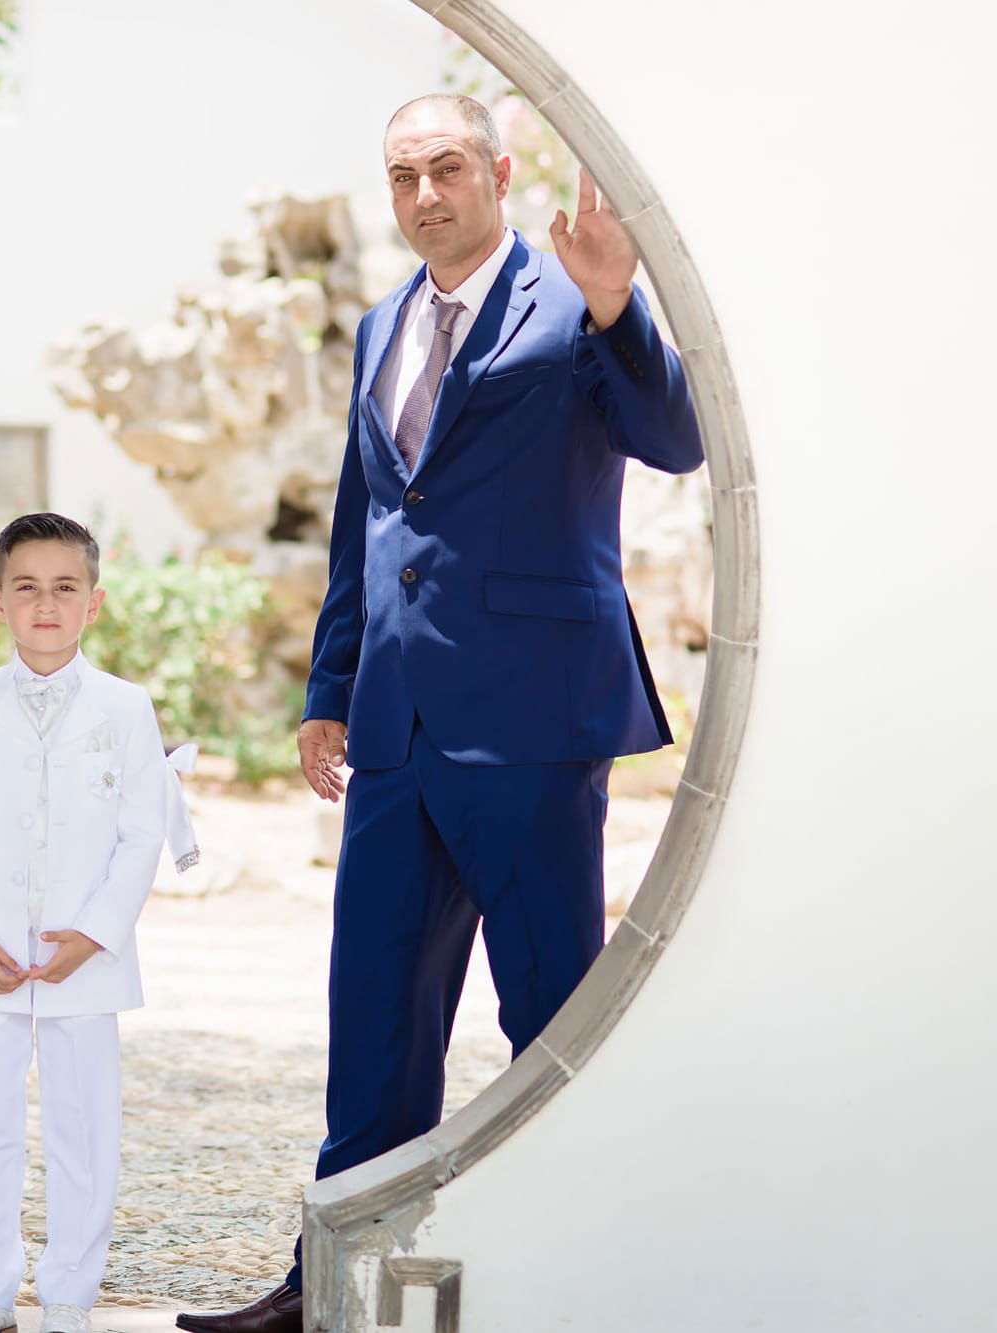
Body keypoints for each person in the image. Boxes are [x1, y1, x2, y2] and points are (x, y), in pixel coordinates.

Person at [177, 95, 705, 1332]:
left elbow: (673, 437)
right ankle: (329, 1282)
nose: (425, 193)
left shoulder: (576, 296)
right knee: (372, 1021)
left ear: (499, 173)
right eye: (403, 173)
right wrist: (327, 690)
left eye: (448, 167)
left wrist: (621, 304)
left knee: (549, 1019)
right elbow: (371, 523)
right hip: (397, 731)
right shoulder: (377, 327)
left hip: (530, 721)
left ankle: (578, 1277)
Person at [0, 514, 171, 1333]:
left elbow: (142, 831)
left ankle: (69, 1292)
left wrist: (96, 933)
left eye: (66, 586)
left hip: (85, 959)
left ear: (93, 602)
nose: (46, 603)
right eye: (26, 586)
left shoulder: (127, 708)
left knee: (83, 1127)